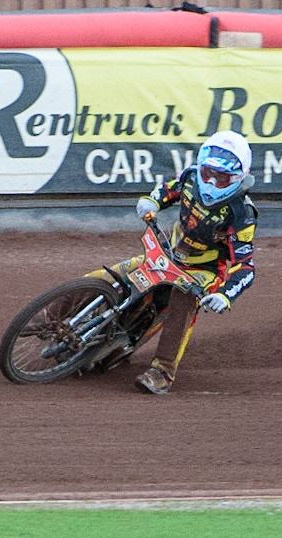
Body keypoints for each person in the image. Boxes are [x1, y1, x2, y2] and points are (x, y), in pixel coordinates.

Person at [87, 130, 257, 395]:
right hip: (168, 253)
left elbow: (245, 267)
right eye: (207, 173)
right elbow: (167, 191)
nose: (210, 181)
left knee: (183, 298)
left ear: (238, 178)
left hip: (204, 271)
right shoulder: (190, 177)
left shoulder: (242, 213)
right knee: (107, 277)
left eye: (220, 177)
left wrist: (225, 296)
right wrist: (151, 200)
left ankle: (162, 372)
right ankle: (52, 317)